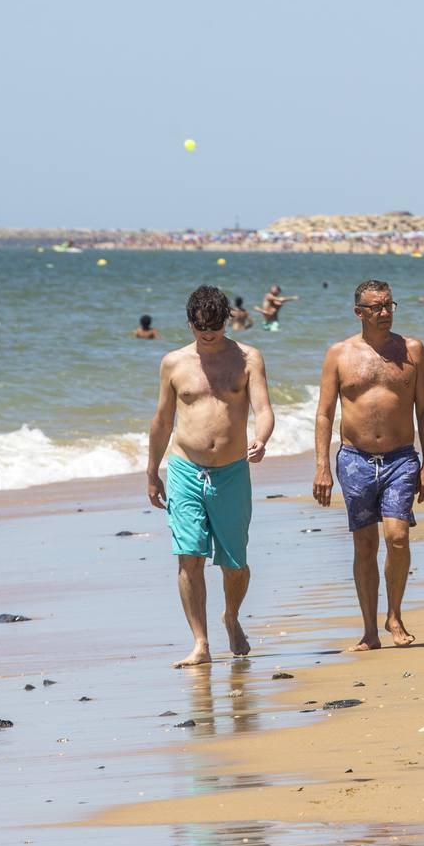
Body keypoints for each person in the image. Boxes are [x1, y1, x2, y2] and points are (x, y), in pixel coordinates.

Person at [146, 285, 274, 668]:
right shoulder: (174, 363)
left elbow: (264, 409)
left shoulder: (249, 358)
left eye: (215, 326)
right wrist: (153, 472)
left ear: (227, 320)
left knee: (235, 563)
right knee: (189, 556)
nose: (208, 334)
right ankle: (200, 643)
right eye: (201, 327)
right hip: (185, 468)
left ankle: (231, 616)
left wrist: (261, 438)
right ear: (190, 322)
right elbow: (162, 421)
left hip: (232, 472)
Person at [312, 280, 424, 651]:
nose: (384, 313)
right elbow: (324, 413)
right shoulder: (339, 354)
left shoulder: (412, 350)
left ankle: (394, 615)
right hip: (354, 460)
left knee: (397, 538)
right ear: (359, 312)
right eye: (376, 308)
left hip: (400, 457)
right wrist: (321, 466)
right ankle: (369, 629)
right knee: (364, 546)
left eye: (389, 306)